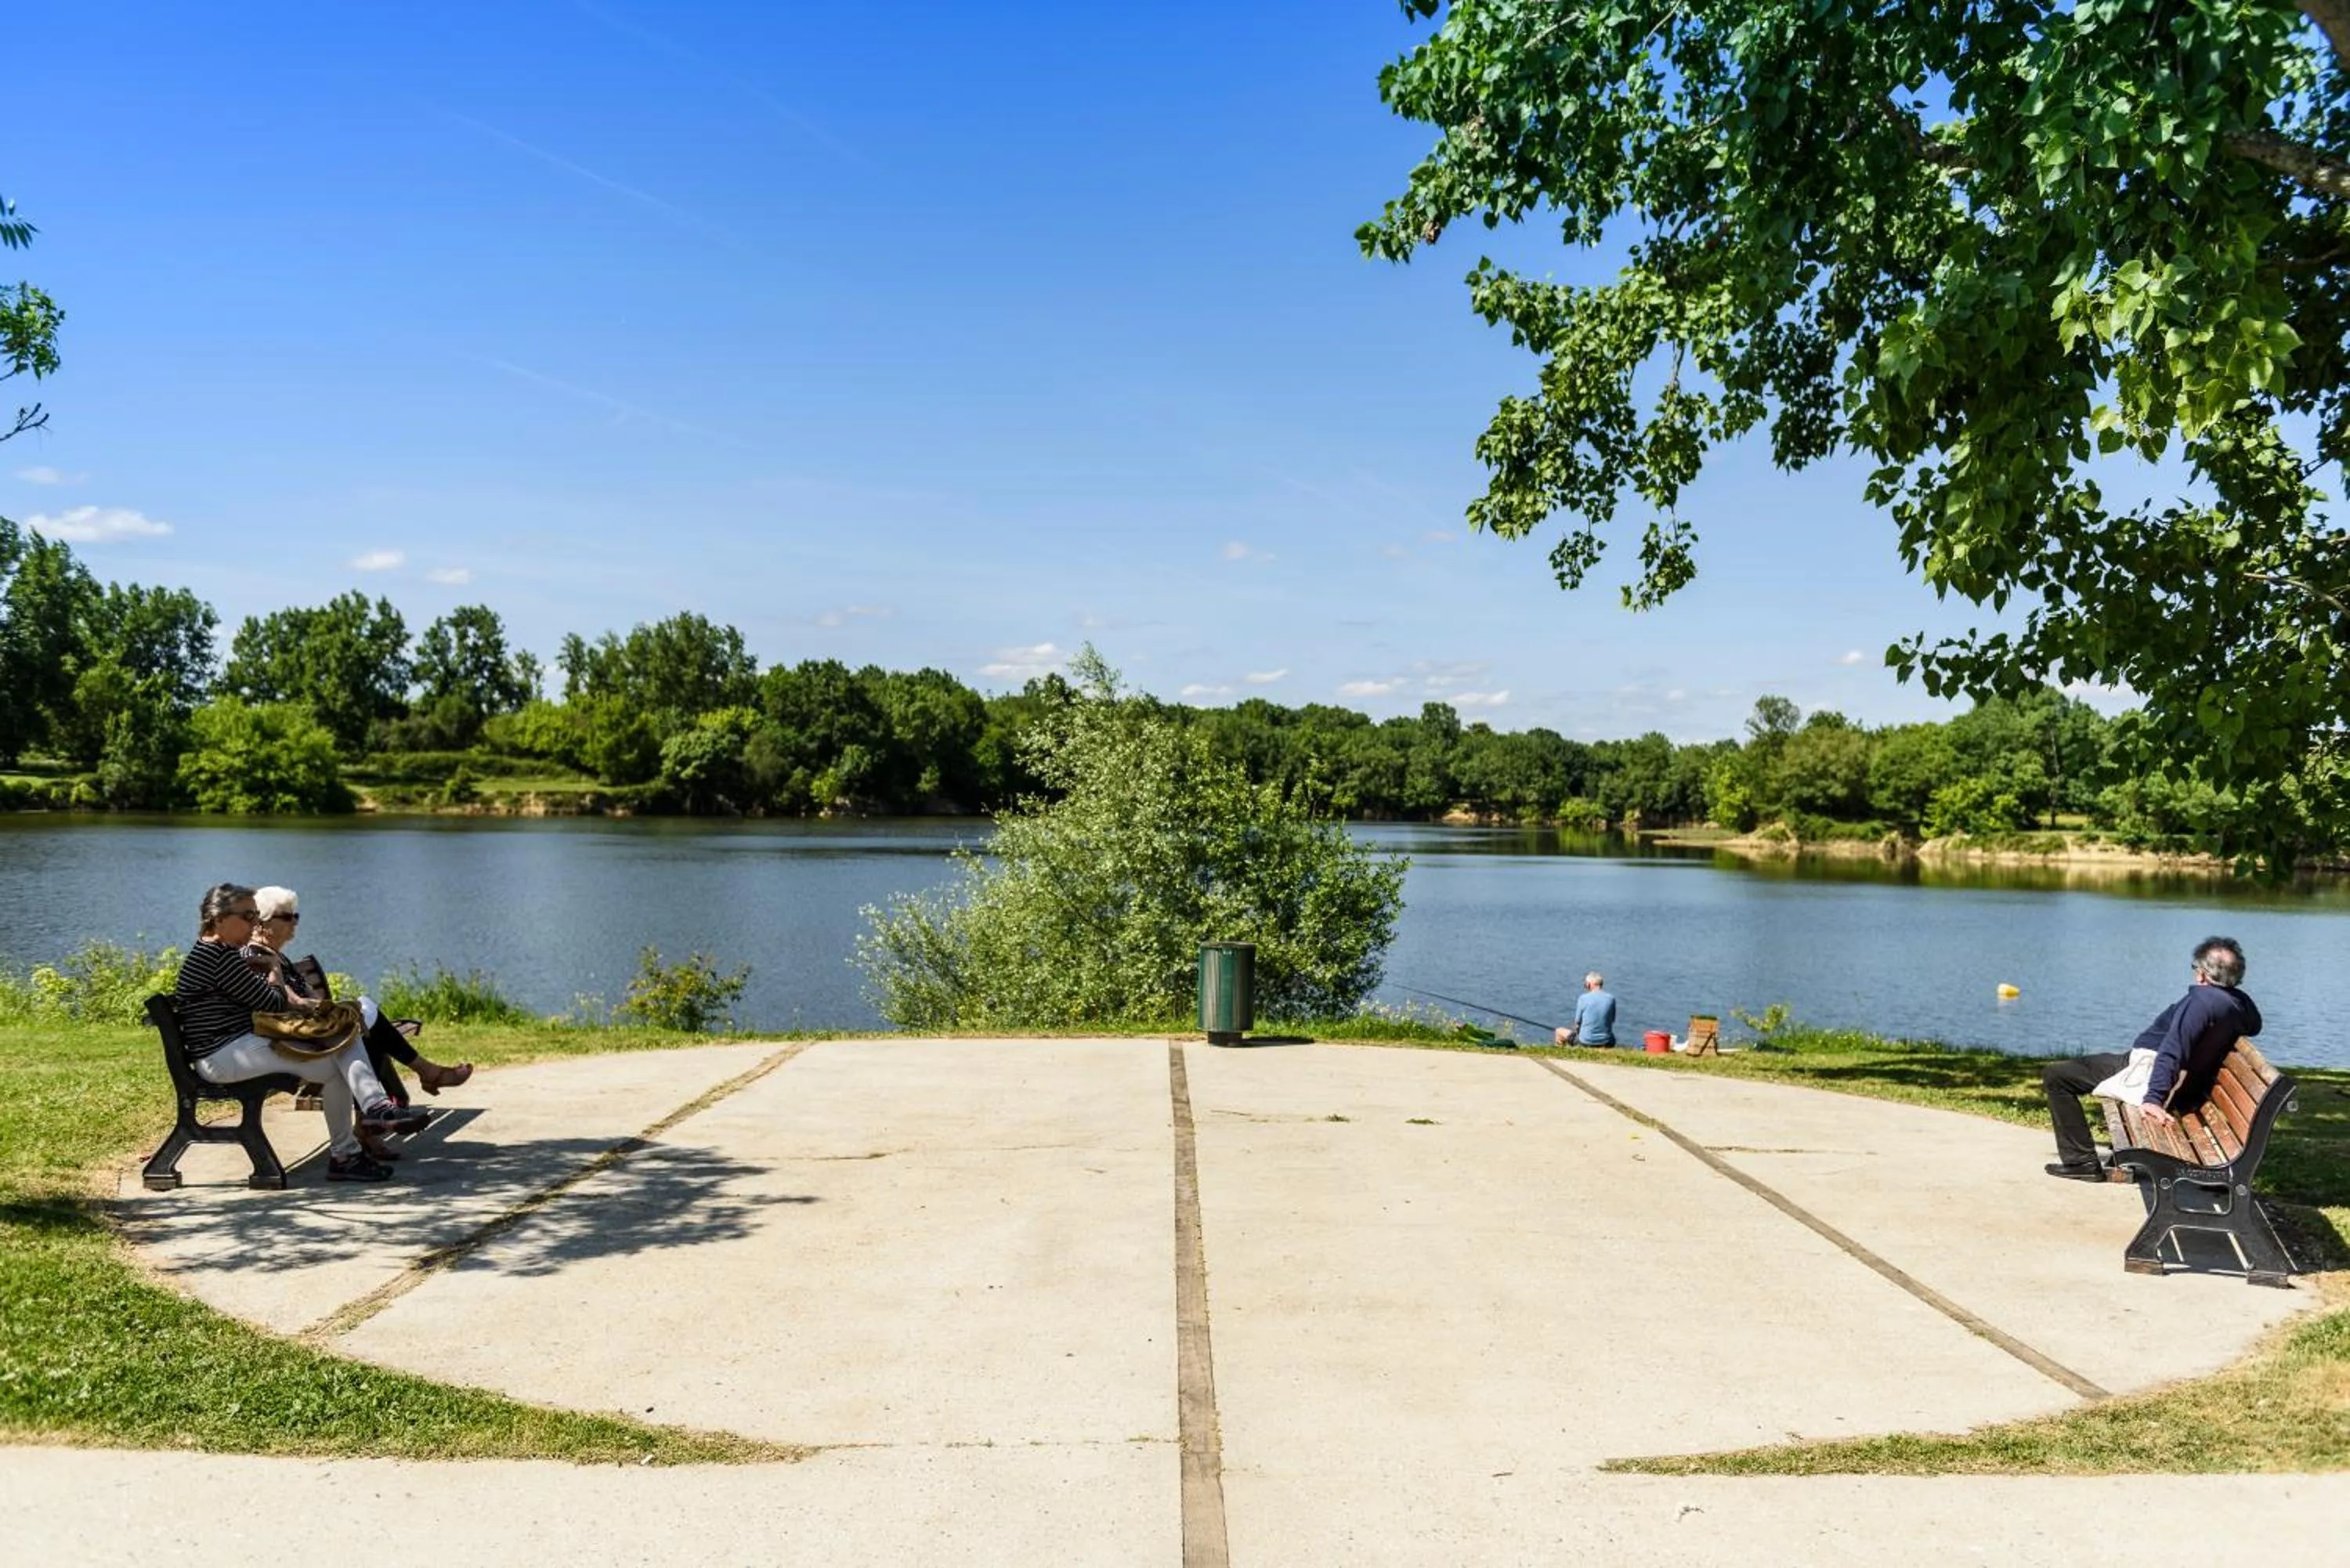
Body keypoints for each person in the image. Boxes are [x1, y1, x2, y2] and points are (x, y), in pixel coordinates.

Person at [172, 882, 426, 1183]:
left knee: (338, 1049)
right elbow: (275, 1002)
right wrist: (274, 970)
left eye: (256, 916)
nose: (254, 924)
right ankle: (359, 1135)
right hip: (223, 1057)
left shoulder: (218, 954)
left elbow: (271, 1002)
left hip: (232, 1047)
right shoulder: (219, 958)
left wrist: (272, 974)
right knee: (337, 1057)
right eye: (248, 916)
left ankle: (362, 1129)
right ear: (219, 918)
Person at [2040, 936, 2262, 1182]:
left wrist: (2154, 1098)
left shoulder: (2202, 1002)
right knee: (2069, 1070)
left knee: (2057, 1077)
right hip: (2141, 1062)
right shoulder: (2235, 1002)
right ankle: (2088, 1160)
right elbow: (2254, 1025)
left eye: (2195, 969)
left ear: (2201, 973)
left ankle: (2080, 1162)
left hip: (2145, 1070)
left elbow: (2173, 1049)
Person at [244, 886, 472, 1120]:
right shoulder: (257, 957)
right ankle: (415, 1083)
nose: (295, 922)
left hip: (308, 1029)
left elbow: (309, 998)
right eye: (287, 917)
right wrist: (338, 1010)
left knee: (363, 1021)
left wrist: (338, 1009)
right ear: (262, 923)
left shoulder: (276, 955)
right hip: (292, 1037)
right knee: (364, 1020)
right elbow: (289, 1002)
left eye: (296, 915)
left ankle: (375, 1117)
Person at [1553, 971, 1618, 1048]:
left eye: (1585, 984)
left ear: (1589, 985)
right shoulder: (1611, 999)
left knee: (1559, 1031)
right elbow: (1612, 1020)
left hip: (1586, 1042)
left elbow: (1577, 1024)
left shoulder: (1583, 999)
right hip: (1607, 1042)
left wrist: (1577, 1032)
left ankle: (1561, 1052)